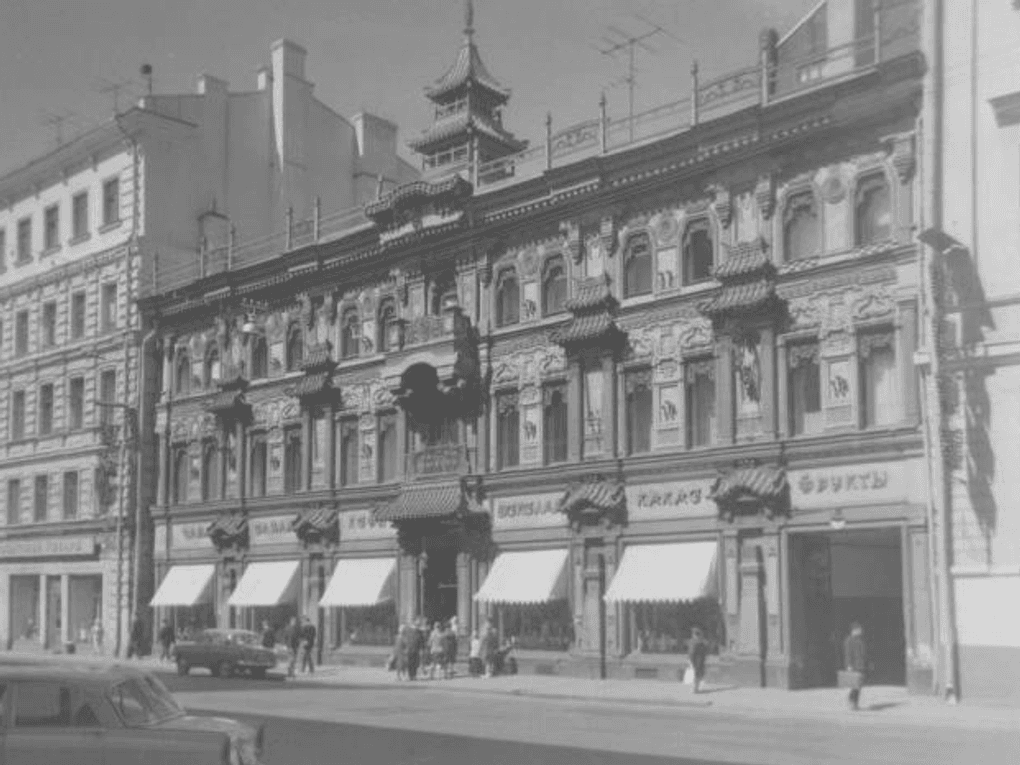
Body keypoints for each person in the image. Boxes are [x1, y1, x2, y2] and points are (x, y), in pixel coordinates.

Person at [843, 622, 867, 711]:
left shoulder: (860, 640)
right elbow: (848, 654)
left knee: (859, 686)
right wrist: (849, 665)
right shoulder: (849, 640)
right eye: (859, 629)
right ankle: (851, 701)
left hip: (861, 665)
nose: (861, 631)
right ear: (854, 630)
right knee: (854, 685)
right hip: (854, 666)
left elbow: (863, 653)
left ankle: (855, 703)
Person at [687, 626, 709, 694]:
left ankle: (695, 688)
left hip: (697, 660)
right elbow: (705, 652)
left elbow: (692, 653)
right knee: (698, 674)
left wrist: (690, 659)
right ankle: (695, 688)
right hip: (699, 660)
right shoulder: (701, 642)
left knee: (697, 674)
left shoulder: (695, 642)